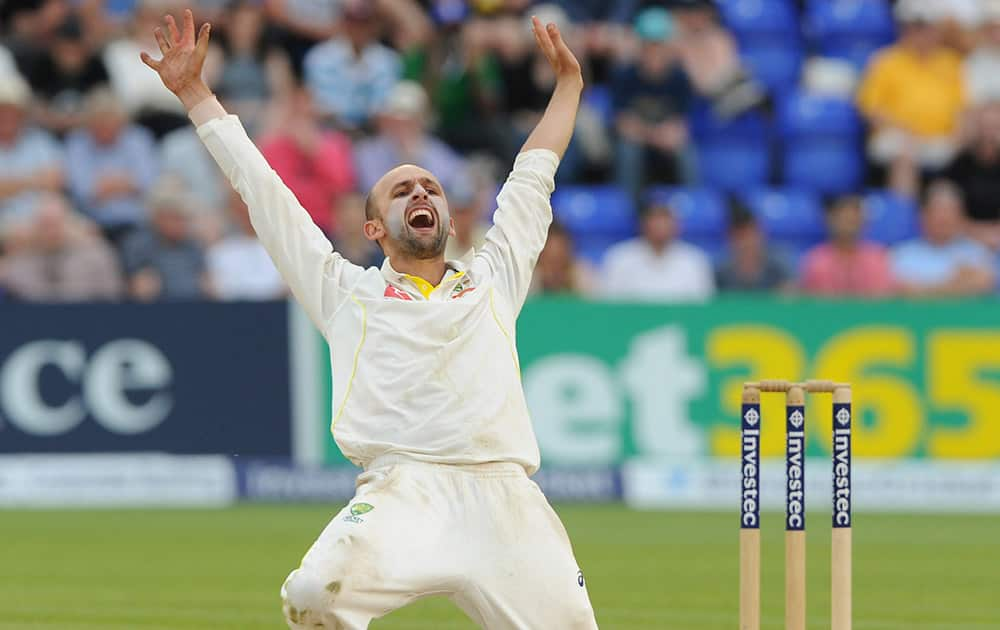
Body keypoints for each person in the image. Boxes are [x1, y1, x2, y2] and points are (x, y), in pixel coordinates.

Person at [141, 9, 598, 629]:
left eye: (431, 188)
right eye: (402, 190)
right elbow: (265, 193)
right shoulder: (345, 292)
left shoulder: (495, 277)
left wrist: (568, 85)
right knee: (314, 594)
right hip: (402, 495)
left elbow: (532, 176)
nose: (421, 194)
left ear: (449, 218)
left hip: (507, 502)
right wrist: (195, 93)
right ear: (374, 228)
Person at [891, 180, 995, 297]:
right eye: (938, 211)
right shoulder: (903, 254)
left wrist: (925, 290)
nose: (944, 218)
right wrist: (958, 284)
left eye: (950, 212)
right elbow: (904, 292)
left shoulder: (976, 252)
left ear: (961, 216)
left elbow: (983, 282)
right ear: (923, 215)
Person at [600, 200, 715, 301]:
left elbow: (704, 306)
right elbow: (610, 305)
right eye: (655, 218)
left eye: (666, 218)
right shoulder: (619, 257)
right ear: (642, 222)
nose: (660, 225)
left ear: (677, 224)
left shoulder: (695, 259)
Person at [799, 195, 896, 297]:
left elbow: (881, 298)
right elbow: (813, 299)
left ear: (863, 222)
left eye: (853, 220)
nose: (848, 225)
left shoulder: (877, 256)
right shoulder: (816, 259)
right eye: (843, 219)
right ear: (830, 220)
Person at [714, 202, 792, 293]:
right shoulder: (721, 272)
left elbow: (790, 296)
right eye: (741, 236)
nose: (747, 242)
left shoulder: (778, 266)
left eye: (751, 234)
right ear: (731, 238)